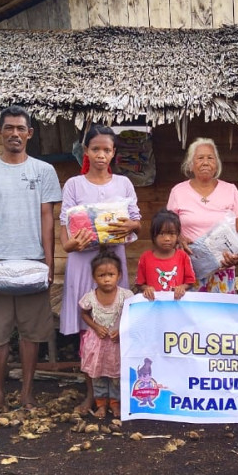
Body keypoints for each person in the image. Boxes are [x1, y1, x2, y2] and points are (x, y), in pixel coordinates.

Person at [0, 105, 61, 419]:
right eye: (9, 128)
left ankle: (27, 392)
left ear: (30, 134)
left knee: (33, 332)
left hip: (33, 262)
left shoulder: (43, 171)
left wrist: (49, 261)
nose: (15, 134)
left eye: (21, 129)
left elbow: (48, 217)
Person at [59, 125, 141, 414]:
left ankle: (116, 396)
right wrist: (71, 246)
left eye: (107, 149)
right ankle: (91, 394)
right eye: (96, 149)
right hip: (83, 262)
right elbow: (65, 228)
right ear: (86, 152)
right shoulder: (73, 185)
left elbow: (136, 222)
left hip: (112, 261)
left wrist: (130, 225)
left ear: (114, 153)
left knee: (114, 324)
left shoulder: (123, 184)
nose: (101, 155)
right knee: (88, 328)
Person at [166, 138, 238, 293]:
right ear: (191, 164)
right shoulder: (178, 191)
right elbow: (168, 226)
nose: (205, 162)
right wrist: (179, 238)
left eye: (210, 158)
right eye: (200, 158)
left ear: (216, 164)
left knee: (221, 314)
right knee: (191, 314)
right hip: (189, 268)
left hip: (223, 267)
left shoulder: (230, 190)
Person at [78, 251, 134, 418]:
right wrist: (95, 326)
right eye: (101, 275)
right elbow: (84, 313)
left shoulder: (125, 296)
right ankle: (101, 404)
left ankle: (116, 404)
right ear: (94, 277)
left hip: (117, 343)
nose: (107, 279)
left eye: (111, 274)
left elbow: (133, 315)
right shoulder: (90, 297)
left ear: (119, 275)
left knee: (116, 375)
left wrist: (122, 329)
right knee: (98, 374)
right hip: (98, 343)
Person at [136, 209, 195, 300]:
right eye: (162, 234)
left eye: (172, 234)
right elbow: (140, 283)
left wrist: (182, 287)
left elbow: (190, 282)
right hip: (154, 306)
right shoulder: (145, 257)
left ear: (178, 235)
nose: (167, 238)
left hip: (177, 305)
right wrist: (147, 289)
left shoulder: (183, 256)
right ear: (153, 235)